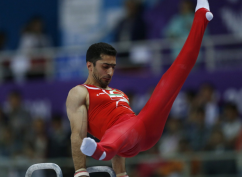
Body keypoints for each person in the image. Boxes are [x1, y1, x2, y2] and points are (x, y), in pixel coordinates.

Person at [66, 1, 213, 177]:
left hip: (144, 132)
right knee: (121, 131)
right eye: (105, 66)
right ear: (90, 66)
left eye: (113, 66)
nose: (110, 71)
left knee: (173, 76)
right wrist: (80, 170)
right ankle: (101, 151)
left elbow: (126, 132)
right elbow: (78, 134)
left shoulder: (118, 93)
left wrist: (120, 173)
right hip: (118, 140)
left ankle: (201, 17)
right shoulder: (79, 92)